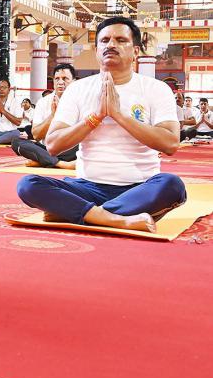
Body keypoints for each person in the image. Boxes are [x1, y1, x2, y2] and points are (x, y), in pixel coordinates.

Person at [17, 16, 185, 233]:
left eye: (120, 40)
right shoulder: (77, 89)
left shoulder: (155, 89)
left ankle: (77, 212)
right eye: (104, 40)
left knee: (173, 186)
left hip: (140, 187)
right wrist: (95, 117)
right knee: (28, 185)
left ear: (135, 52)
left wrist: (119, 115)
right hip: (87, 187)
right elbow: (53, 145)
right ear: (97, 51)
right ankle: (118, 219)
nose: (111, 45)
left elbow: (171, 143)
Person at [11, 64, 78, 169]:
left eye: (65, 79)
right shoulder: (43, 102)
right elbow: (36, 136)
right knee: (17, 142)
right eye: (57, 79)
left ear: (74, 81)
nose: (60, 82)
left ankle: (43, 160)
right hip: (48, 149)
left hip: (72, 150)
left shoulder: (81, 101)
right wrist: (52, 116)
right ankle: (60, 163)